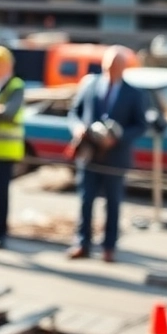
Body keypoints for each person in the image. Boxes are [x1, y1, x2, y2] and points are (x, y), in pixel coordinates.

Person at [66, 45, 148, 262]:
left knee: (112, 202)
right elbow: (74, 112)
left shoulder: (133, 93)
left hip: (115, 156)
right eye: (107, 66)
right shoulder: (90, 84)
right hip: (89, 154)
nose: (110, 70)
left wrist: (118, 137)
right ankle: (82, 242)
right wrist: (78, 128)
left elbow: (140, 125)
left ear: (123, 68)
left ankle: (109, 246)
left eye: (114, 66)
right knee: (86, 200)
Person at [0, 45, 26, 249]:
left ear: (4, 66)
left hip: (5, 151)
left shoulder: (15, 86)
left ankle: (0, 233)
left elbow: (9, 112)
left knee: (1, 195)